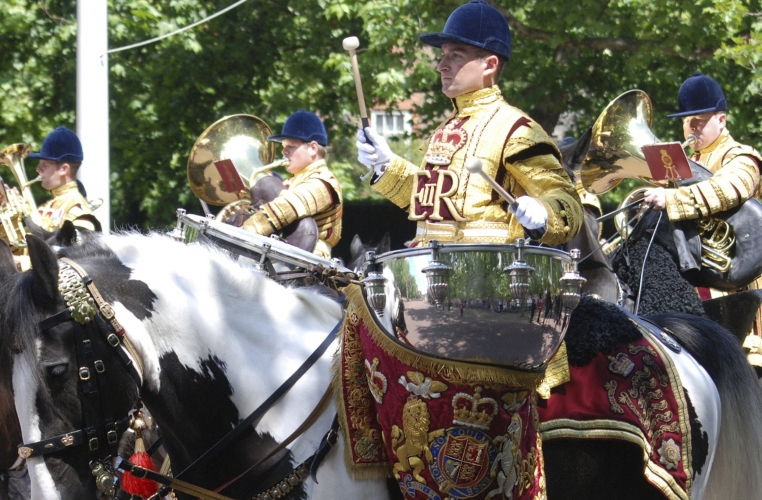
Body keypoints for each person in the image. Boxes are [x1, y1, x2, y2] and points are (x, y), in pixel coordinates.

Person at [356, 0, 582, 247]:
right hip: (427, 275)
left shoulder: (517, 130)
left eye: (456, 55)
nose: (441, 66)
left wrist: (544, 213)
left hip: (490, 281)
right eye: (443, 55)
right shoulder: (446, 128)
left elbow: (568, 203)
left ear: (490, 64)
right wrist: (386, 165)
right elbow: (432, 208)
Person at [643, 73, 762, 367]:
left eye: (699, 119)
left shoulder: (743, 157)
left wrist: (671, 199)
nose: (691, 126)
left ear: (721, 120)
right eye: (686, 120)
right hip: (696, 280)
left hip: (740, 282)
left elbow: (729, 189)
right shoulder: (682, 161)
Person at [242, 109, 342, 259]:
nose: (284, 152)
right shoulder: (291, 181)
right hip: (282, 255)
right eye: (283, 146)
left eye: (291, 146)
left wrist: (243, 231)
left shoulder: (325, 181)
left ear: (313, 148)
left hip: (312, 261)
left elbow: (288, 206)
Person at [29, 126, 98, 232]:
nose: (38, 169)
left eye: (44, 165)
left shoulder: (77, 210)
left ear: (63, 169)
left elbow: (76, 248)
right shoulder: (45, 206)